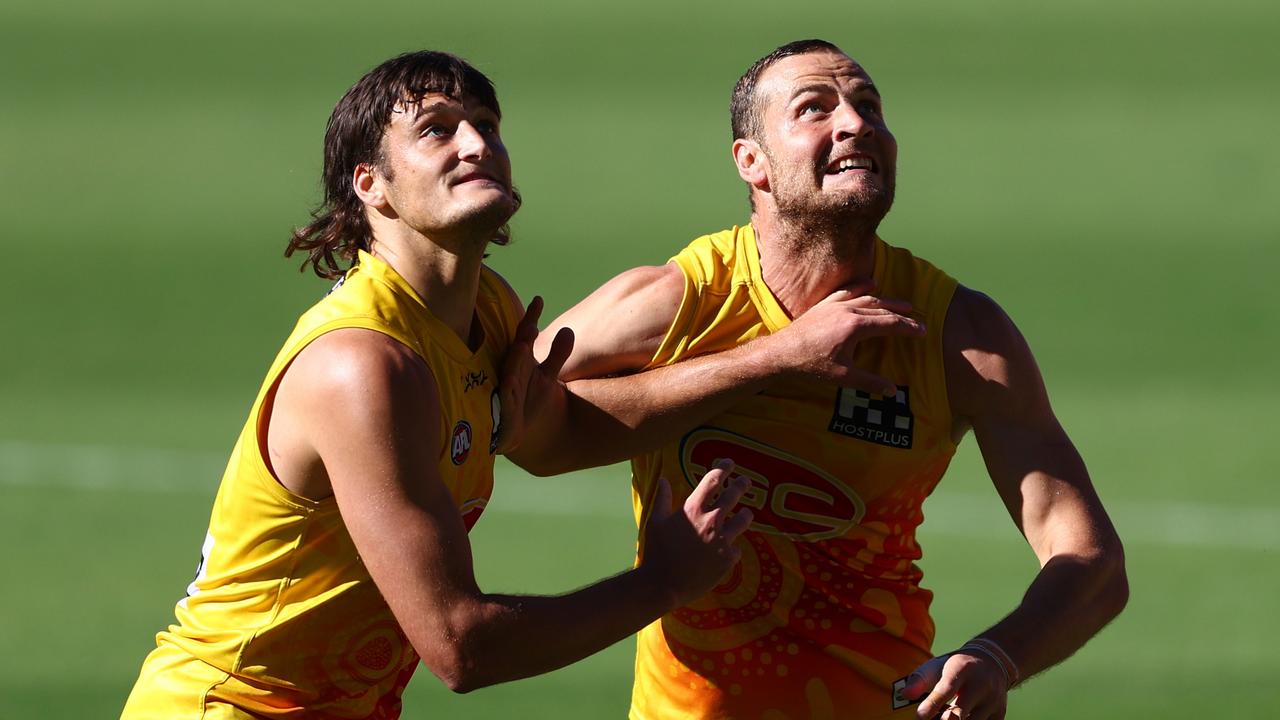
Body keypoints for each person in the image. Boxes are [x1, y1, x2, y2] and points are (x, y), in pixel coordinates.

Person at [119, 51, 757, 719]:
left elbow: (554, 439)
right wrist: (662, 584)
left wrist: (780, 361)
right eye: (437, 129)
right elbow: (460, 646)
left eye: (487, 124)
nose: (478, 144)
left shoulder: (487, 310)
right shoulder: (363, 366)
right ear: (372, 184)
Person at [530, 39, 1129, 720]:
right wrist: (776, 357)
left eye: (868, 105)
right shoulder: (679, 302)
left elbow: (1092, 562)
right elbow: (513, 417)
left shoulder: (958, 335)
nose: (855, 122)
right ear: (750, 162)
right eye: (815, 108)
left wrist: (998, 656)